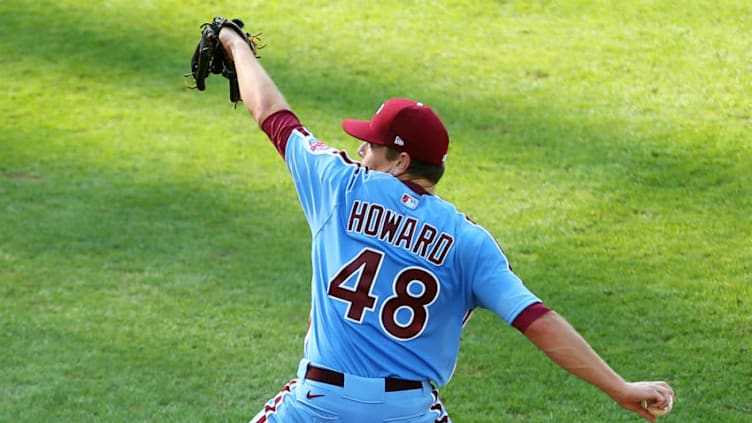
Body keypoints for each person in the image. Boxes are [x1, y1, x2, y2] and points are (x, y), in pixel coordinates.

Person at [212, 24, 675, 423]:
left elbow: (273, 115)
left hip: (317, 406)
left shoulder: (340, 186)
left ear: (399, 161)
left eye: (371, 146)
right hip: (408, 412)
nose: (360, 152)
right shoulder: (469, 240)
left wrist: (236, 44)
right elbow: (537, 320)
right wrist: (620, 387)